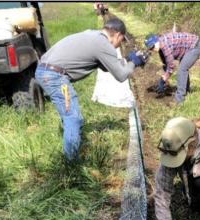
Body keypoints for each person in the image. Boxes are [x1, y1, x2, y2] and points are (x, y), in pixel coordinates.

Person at [35, 18, 145, 161]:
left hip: (46, 69)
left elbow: (107, 66)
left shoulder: (94, 36)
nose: (120, 45)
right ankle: (71, 164)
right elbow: (121, 75)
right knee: (73, 118)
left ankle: (70, 144)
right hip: (54, 75)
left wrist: (125, 61)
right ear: (117, 35)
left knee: (69, 115)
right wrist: (134, 63)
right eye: (122, 40)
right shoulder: (103, 44)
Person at [144, 31, 200, 104]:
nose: (152, 49)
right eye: (150, 48)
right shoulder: (160, 47)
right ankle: (186, 90)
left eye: (152, 47)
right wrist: (163, 79)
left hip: (195, 46)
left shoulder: (164, 45)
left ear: (157, 40)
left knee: (182, 69)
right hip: (187, 49)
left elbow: (171, 65)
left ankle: (179, 100)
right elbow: (166, 64)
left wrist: (165, 78)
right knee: (183, 68)